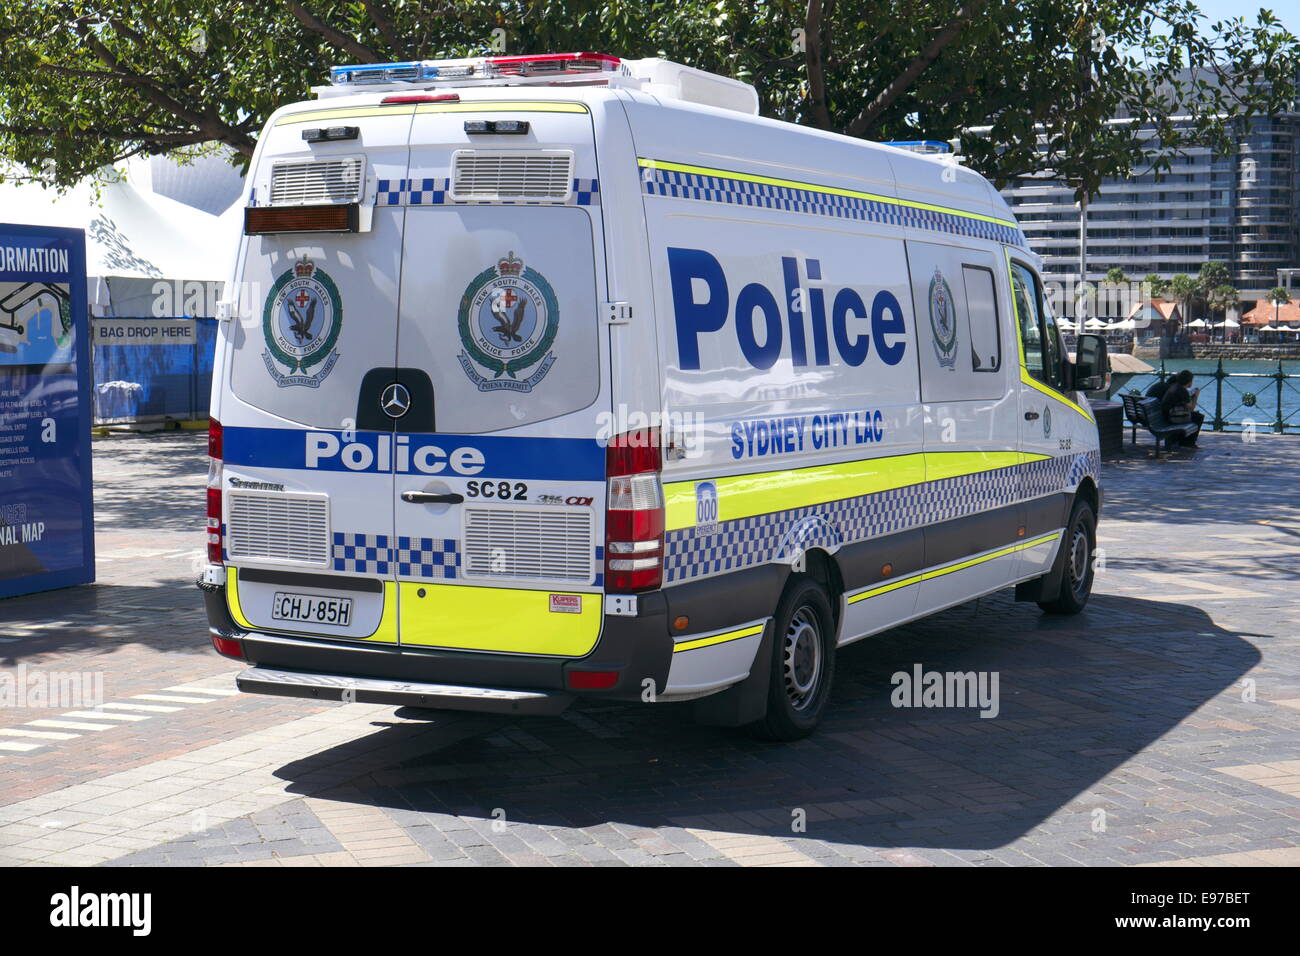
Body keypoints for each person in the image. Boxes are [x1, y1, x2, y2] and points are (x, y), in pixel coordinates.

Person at [1160, 369, 1203, 446]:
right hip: (1171, 417)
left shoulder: (1175, 386)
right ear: (1189, 381)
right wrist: (1196, 395)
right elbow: (1191, 408)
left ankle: (1184, 441)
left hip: (1165, 415)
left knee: (1195, 416)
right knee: (1198, 417)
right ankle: (1188, 443)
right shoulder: (1182, 391)